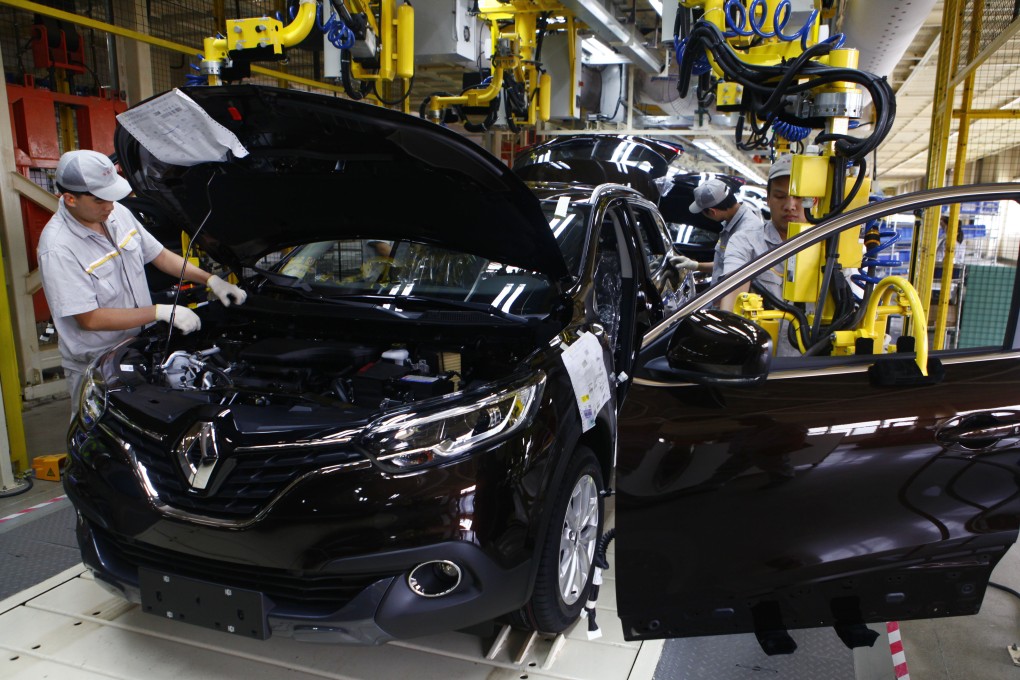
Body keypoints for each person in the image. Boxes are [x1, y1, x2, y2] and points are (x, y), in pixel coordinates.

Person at [38, 149, 247, 412]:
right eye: (100, 200)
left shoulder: (117, 214)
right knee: (99, 431)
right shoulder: (58, 248)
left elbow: (158, 255)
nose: (110, 206)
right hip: (97, 363)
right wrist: (159, 311)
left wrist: (212, 280)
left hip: (141, 347)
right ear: (70, 199)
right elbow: (88, 319)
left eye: (112, 197)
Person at [718, 154, 806, 312]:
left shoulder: (830, 246)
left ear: (814, 199)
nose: (790, 206)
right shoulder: (745, 242)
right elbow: (733, 297)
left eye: (799, 197)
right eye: (780, 196)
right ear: (768, 199)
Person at [688, 177, 764, 280]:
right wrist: (696, 266)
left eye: (703, 213)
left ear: (712, 211)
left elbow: (735, 279)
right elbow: (722, 266)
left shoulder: (746, 233)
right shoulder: (731, 223)